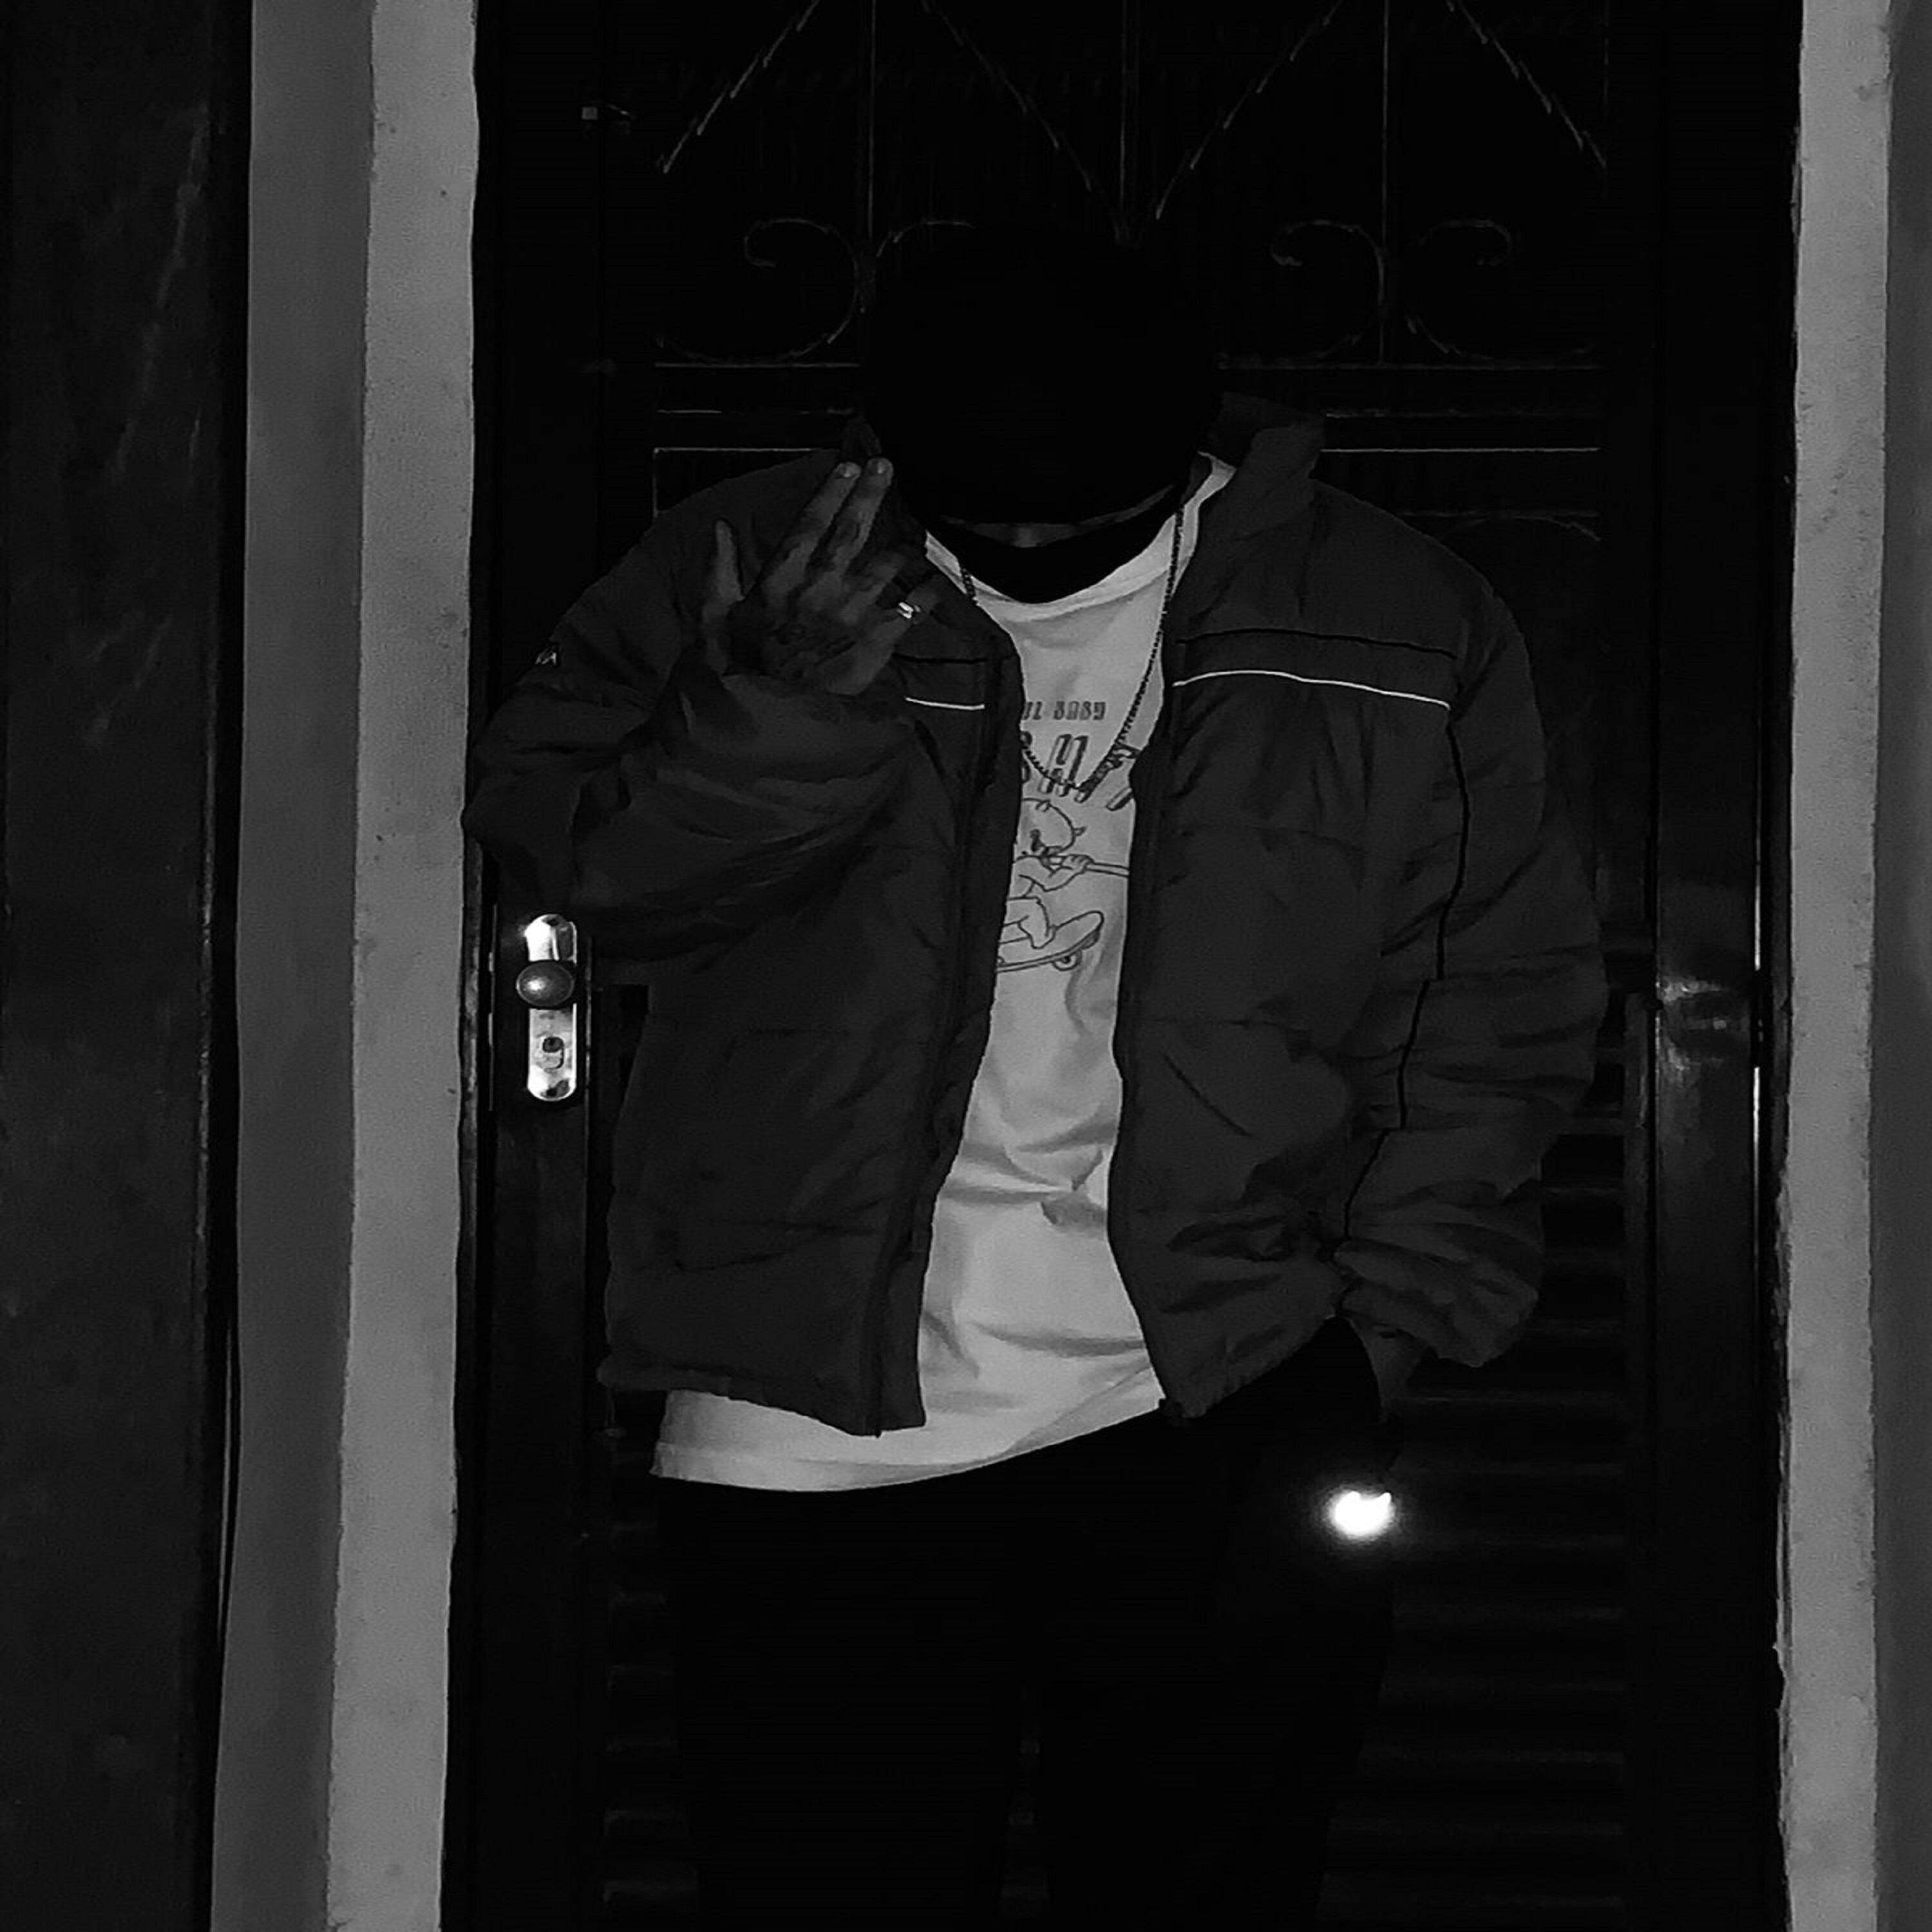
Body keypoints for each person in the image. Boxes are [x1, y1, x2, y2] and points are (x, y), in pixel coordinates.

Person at [460, 220, 1607, 1929]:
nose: (1027, 559)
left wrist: (1384, 1332)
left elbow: (1488, 998)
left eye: (1081, 530)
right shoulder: (750, 564)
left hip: (1223, 1393)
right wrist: (773, 707)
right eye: (980, 527)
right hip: (802, 1416)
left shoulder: (1396, 614)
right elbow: (582, 886)